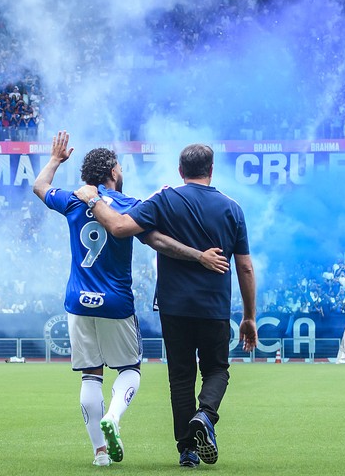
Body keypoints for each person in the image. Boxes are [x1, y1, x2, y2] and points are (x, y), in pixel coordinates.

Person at [33, 132, 227, 468]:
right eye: (119, 167)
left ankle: (99, 453)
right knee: (130, 370)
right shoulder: (128, 205)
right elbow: (159, 242)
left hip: (77, 301)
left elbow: (39, 187)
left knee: (91, 375)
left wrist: (55, 160)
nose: (122, 171)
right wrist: (198, 256)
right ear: (112, 173)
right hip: (115, 302)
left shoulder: (73, 200)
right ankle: (113, 415)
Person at [76, 142, 257, 469]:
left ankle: (187, 451)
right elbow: (244, 267)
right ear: (211, 170)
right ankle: (205, 415)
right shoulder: (232, 208)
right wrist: (249, 316)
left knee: (181, 378)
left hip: (174, 307)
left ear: (180, 171)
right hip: (214, 307)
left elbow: (119, 228)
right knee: (217, 369)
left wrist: (92, 198)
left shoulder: (165, 199)